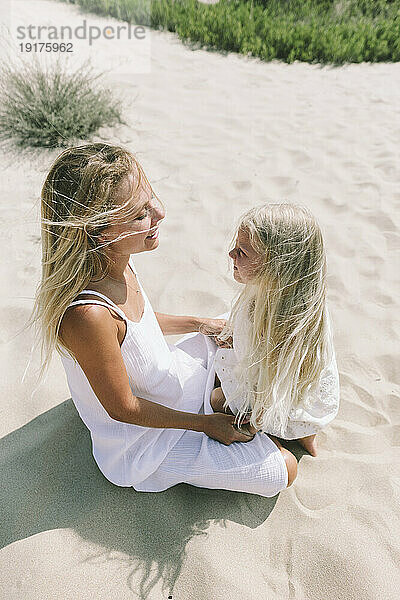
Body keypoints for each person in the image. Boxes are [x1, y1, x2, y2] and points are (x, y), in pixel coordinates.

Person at [30, 143, 296, 497]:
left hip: (168, 383)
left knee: (232, 325)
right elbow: (123, 408)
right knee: (284, 469)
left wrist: (198, 324)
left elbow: (136, 327)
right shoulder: (87, 315)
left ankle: (235, 404)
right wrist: (205, 425)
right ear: (99, 232)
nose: (161, 212)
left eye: (151, 196)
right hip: (144, 442)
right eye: (140, 215)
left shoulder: (114, 259)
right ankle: (234, 413)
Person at [209, 203, 340, 458]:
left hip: (276, 398)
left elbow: (273, 391)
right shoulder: (291, 297)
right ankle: (306, 434)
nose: (230, 254)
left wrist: (254, 424)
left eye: (241, 252)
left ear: (276, 266)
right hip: (303, 397)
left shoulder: (285, 328)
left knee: (216, 398)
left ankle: (282, 436)